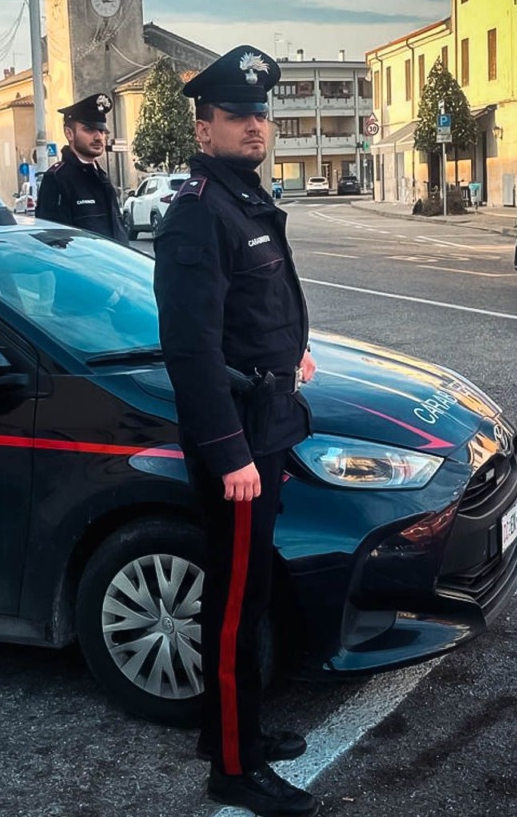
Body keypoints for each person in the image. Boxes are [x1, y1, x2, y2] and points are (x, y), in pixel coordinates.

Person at [153, 45, 319, 817]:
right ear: (204, 125)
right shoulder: (198, 211)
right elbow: (191, 347)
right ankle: (232, 764)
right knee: (231, 603)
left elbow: (257, 307)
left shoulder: (243, 197)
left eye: (261, 114)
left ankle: (236, 730)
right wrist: (226, 454)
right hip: (240, 441)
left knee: (251, 597)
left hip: (270, 419)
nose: (256, 126)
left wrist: (295, 351)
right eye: (239, 116)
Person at [34, 93, 128, 243]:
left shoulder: (101, 177)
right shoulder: (58, 178)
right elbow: (54, 240)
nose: (98, 137)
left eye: (102, 131)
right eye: (89, 130)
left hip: (114, 264)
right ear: (69, 133)